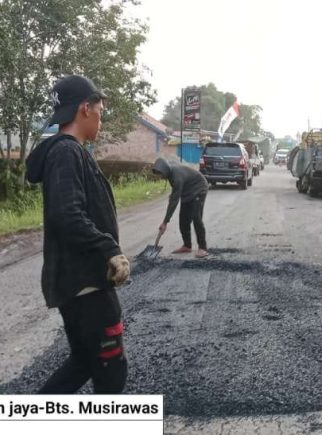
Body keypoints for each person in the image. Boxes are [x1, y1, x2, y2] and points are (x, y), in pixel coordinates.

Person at [25, 75, 130, 393]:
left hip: (82, 281)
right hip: (85, 284)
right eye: (99, 109)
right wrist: (109, 248)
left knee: (85, 360)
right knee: (111, 370)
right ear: (85, 108)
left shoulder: (69, 152)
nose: (100, 117)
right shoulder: (66, 153)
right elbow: (67, 214)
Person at [152, 157, 210, 258]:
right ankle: (187, 245)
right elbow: (174, 195)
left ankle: (203, 248)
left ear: (164, 170)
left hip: (199, 189)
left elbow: (174, 200)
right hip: (187, 192)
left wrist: (165, 222)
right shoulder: (170, 173)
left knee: (196, 218)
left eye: (160, 174)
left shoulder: (176, 176)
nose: (160, 177)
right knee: (183, 220)